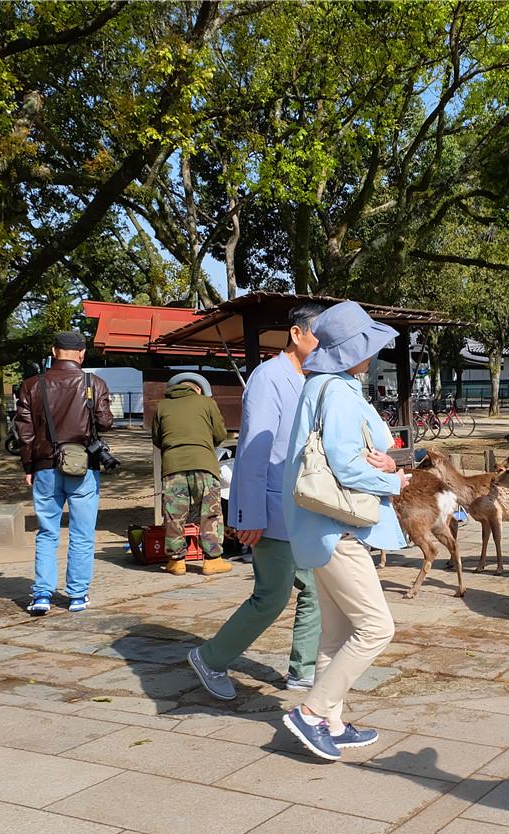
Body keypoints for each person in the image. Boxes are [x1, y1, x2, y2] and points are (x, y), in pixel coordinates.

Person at [281, 301, 411, 760]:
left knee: (334, 637)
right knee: (377, 628)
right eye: (367, 346)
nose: (372, 354)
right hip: (339, 529)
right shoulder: (337, 391)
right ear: (348, 351)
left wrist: (385, 461)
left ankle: (331, 724)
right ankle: (313, 713)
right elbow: (346, 465)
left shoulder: (320, 386)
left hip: (318, 528)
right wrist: (393, 479)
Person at [189, 307, 325, 698]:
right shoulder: (269, 377)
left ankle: (303, 670)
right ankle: (211, 657)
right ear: (296, 334)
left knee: (315, 591)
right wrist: (247, 513)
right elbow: (252, 451)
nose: (325, 346)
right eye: (320, 337)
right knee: (272, 596)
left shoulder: (310, 379)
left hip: (303, 507)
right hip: (272, 506)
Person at [14, 331, 113, 614]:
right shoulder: (94, 383)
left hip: (44, 466)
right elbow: (105, 423)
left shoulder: (32, 385)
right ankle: (77, 595)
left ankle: (42, 594)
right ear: (82, 353)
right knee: (82, 534)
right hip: (83, 467)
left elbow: (24, 430)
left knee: (47, 532)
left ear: (53, 351)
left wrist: (28, 466)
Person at [153, 372, 231, 577]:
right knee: (210, 513)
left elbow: (157, 438)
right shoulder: (206, 403)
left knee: (174, 515)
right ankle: (212, 561)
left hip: (173, 466)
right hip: (204, 464)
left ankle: (176, 562)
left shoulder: (162, 406)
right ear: (198, 389)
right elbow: (220, 435)